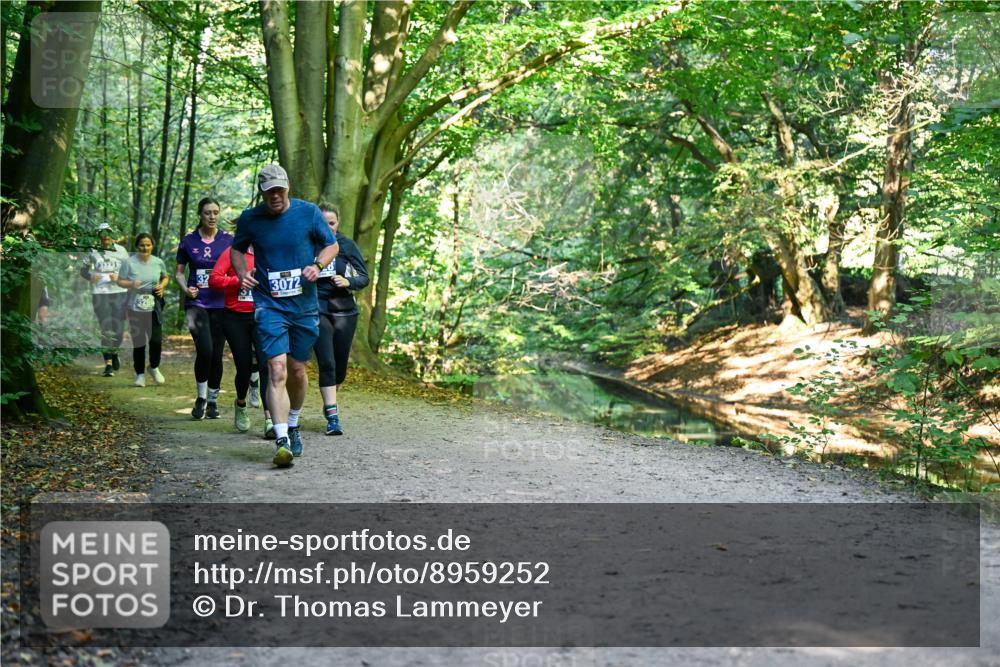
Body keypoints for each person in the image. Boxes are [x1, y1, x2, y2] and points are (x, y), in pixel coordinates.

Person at [231, 164, 338, 467]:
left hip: (303, 305)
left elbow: (332, 245)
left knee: (297, 370)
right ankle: (281, 440)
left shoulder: (308, 213)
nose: (275, 196)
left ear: (287, 188)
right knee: (276, 369)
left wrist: (316, 266)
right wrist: (242, 274)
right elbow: (237, 251)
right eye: (269, 192)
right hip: (269, 304)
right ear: (261, 193)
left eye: (279, 190)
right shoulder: (252, 219)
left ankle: (293, 423)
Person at [314, 204, 369, 435]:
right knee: (327, 362)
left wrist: (349, 282)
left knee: (340, 370)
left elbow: (364, 276)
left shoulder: (346, 245)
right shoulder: (309, 244)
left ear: (338, 223)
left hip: (345, 312)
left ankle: (331, 402)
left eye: (332, 223)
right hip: (317, 308)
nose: (328, 227)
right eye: (324, 223)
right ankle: (333, 415)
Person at [176, 197, 233, 420]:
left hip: (221, 303)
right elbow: (179, 273)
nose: (212, 216)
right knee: (206, 350)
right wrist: (185, 289)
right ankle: (200, 397)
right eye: (208, 212)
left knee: (217, 354)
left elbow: (237, 267)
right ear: (200, 214)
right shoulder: (188, 241)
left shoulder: (228, 240)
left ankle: (212, 401)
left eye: (215, 212)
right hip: (196, 303)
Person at [208, 242, 274, 435]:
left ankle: (270, 419)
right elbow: (214, 280)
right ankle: (241, 403)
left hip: (263, 316)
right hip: (235, 317)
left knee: (266, 365)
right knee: (244, 367)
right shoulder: (232, 252)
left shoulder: (269, 250)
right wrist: (238, 280)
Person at [117, 233, 169, 387]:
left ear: (152, 246)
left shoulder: (158, 262)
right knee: (139, 342)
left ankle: (153, 367)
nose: (145, 248)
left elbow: (165, 277)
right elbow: (120, 281)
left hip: (154, 304)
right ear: (137, 246)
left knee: (156, 340)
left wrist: (162, 286)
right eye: (141, 245)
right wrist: (131, 284)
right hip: (134, 304)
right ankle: (140, 374)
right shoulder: (129, 262)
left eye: (148, 245)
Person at [79, 222, 129, 376]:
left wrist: (119, 277)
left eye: (108, 233)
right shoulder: (93, 251)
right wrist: (91, 276)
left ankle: (114, 352)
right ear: (98, 236)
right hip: (100, 293)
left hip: (120, 292)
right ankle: (107, 364)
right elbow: (83, 271)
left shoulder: (121, 250)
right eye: (102, 233)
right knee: (106, 327)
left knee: (118, 328)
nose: (105, 236)